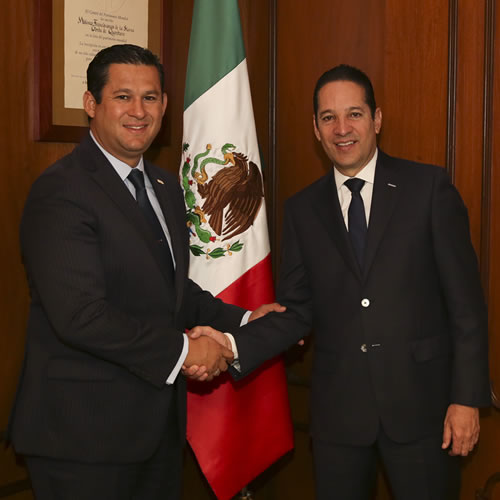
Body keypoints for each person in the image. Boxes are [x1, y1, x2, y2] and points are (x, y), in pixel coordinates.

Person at [191, 64, 490, 499]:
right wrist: (231, 345)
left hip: (424, 413)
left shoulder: (427, 189)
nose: (342, 128)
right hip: (339, 420)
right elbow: (296, 312)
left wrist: (467, 400)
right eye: (328, 117)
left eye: (354, 114)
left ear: (377, 119)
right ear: (315, 128)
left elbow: (467, 306)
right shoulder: (301, 210)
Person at [7, 44, 279, 500]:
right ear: (91, 104)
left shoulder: (165, 187)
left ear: (166, 106)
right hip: (82, 439)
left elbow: (173, 289)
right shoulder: (61, 192)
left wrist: (246, 321)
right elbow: (81, 316)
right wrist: (186, 349)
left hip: (155, 431)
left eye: (150, 97)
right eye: (122, 97)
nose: (138, 111)